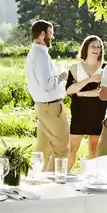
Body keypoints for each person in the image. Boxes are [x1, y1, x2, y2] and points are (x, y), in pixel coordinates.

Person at [25, 19, 69, 172]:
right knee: (61, 148)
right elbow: (47, 84)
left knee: (43, 149)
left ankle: (37, 179)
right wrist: (63, 76)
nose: (53, 37)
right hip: (52, 107)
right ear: (42, 34)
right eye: (51, 34)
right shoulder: (41, 55)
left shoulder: (37, 53)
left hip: (44, 106)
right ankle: (55, 184)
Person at [65, 34, 107, 172]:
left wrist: (82, 93)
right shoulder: (75, 68)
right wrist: (90, 80)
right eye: (93, 46)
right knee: (72, 148)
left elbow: (104, 93)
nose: (96, 48)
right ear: (86, 48)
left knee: (94, 149)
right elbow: (70, 90)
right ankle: (63, 175)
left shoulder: (106, 68)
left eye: (99, 46)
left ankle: (91, 178)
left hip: (99, 112)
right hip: (79, 113)